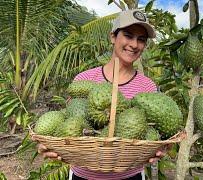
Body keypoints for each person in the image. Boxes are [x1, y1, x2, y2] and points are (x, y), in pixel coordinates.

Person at [36, 9, 165, 180]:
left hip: (130, 176)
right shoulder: (85, 78)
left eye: (141, 39)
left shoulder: (147, 86)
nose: (134, 44)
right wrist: (50, 145)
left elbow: (156, 133)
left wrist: (158, 147)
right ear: (113, 36)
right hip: (83, 176)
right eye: (128, 35)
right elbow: (67, 121)